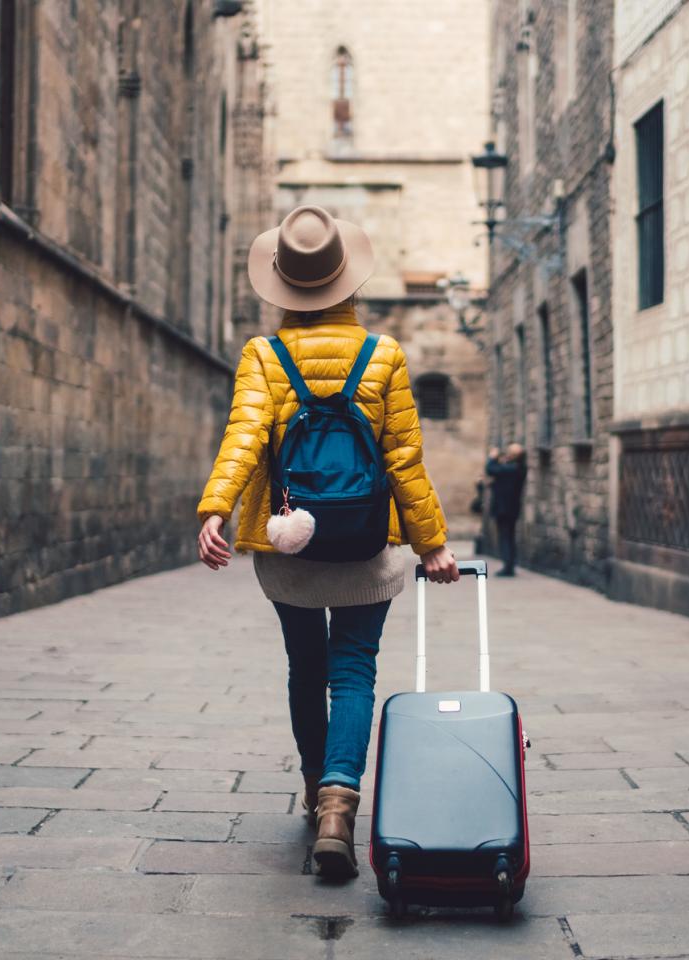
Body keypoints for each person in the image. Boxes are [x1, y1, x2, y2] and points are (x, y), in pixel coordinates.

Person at [195, 205, 458, 880]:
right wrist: (431, 544)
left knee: (305, 668)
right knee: (355, 669)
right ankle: (342, 804)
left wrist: (216, 508)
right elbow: (403, 458)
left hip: (290, 547)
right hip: (369, 545)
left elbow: (245, 438)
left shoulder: (263, 355)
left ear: (283, 285)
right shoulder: (385, 356)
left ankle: (315, 792)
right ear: (350, 283)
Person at [486, 444, 527, 577]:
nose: (507, 454)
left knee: (506, 537)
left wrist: (492, 457)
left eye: (510, 453)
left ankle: (508, 567)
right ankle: (509, 565)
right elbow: (502, 481)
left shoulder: (513, 468)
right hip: (510, 508)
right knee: (508, 536)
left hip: (505, 508)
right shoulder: (517, 468)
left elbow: (491, 469)